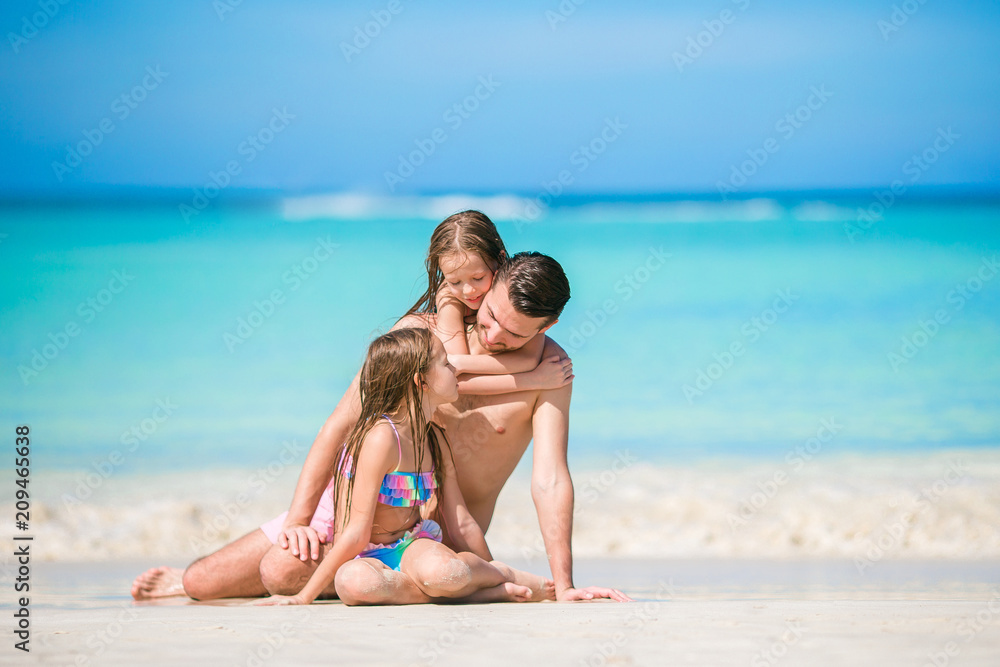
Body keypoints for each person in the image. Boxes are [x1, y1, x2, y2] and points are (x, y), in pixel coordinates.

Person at [132, 216, 628, 603]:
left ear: (549, 324)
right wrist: (298, 522)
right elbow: (339, 426)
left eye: (516, 333)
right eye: (492, 314)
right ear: (492, 282)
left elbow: (550, 480)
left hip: (439, 539)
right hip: (356, 512)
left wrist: (564, 584)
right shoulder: (421, 340)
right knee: (207, 579)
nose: (496, 334)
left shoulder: (553, 371)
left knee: (288, 575)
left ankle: (413, 586)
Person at [257, 327, 550, 605]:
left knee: (446, 573)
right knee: (352, 584)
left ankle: (503, 576)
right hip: (365, 555)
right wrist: (304, 596)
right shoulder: (380, 438)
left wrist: (490, 570)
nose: (455, 370)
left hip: (412, 545)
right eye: (446, 364)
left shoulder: (432, 436)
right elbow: (356, 533)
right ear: (420, 381)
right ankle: (471, 594)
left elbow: (461, 523)